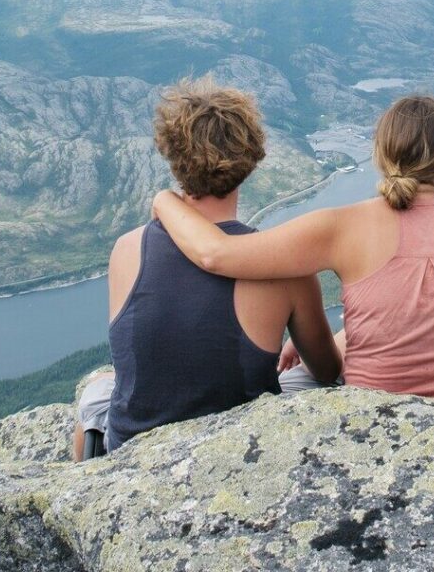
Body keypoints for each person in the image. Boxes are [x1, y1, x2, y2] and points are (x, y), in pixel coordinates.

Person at [153, 95, 434, 404]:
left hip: (376, 416)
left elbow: (215, 255)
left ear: (380, 157)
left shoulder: (340, 226)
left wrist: (164, 201)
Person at [73, 78, 341, 460]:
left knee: (98, 390)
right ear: (249, 159)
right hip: (237, 454)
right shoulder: (284, 267)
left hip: (131, 453)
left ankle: (85, 481)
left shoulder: (127, 249)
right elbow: (328, 371)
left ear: (172, 154)